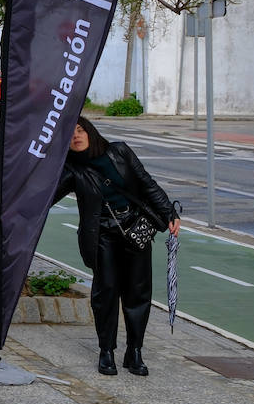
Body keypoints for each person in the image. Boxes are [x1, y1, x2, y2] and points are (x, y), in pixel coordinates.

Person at [54, 116, 180, 377]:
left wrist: (169, 213)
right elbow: (44, 198)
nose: (76, 136)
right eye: (70, 134)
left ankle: (135, 351)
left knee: (138, 291)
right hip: (102, 235)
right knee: (106, 292)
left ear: (90, 131)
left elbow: (147, 183)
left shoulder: (119, 151)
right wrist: (13, 212)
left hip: (135, 229)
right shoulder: (71, 169)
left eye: (80, 130)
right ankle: (106, 351)